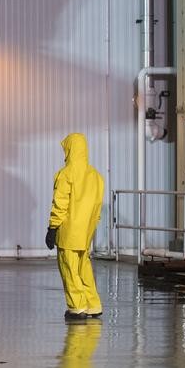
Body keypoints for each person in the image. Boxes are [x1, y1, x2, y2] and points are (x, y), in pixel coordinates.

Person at [45, 133, 105, 320]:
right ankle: (93, 305)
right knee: (83, 268)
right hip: (86, 232)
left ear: (70, 149)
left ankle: (77, 307)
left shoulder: (66, 174)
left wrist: (52, 228)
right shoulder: (95, 175)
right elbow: (97, 206)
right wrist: (90, 228)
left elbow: (60, 203)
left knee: (69, 269)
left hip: (69, 232)